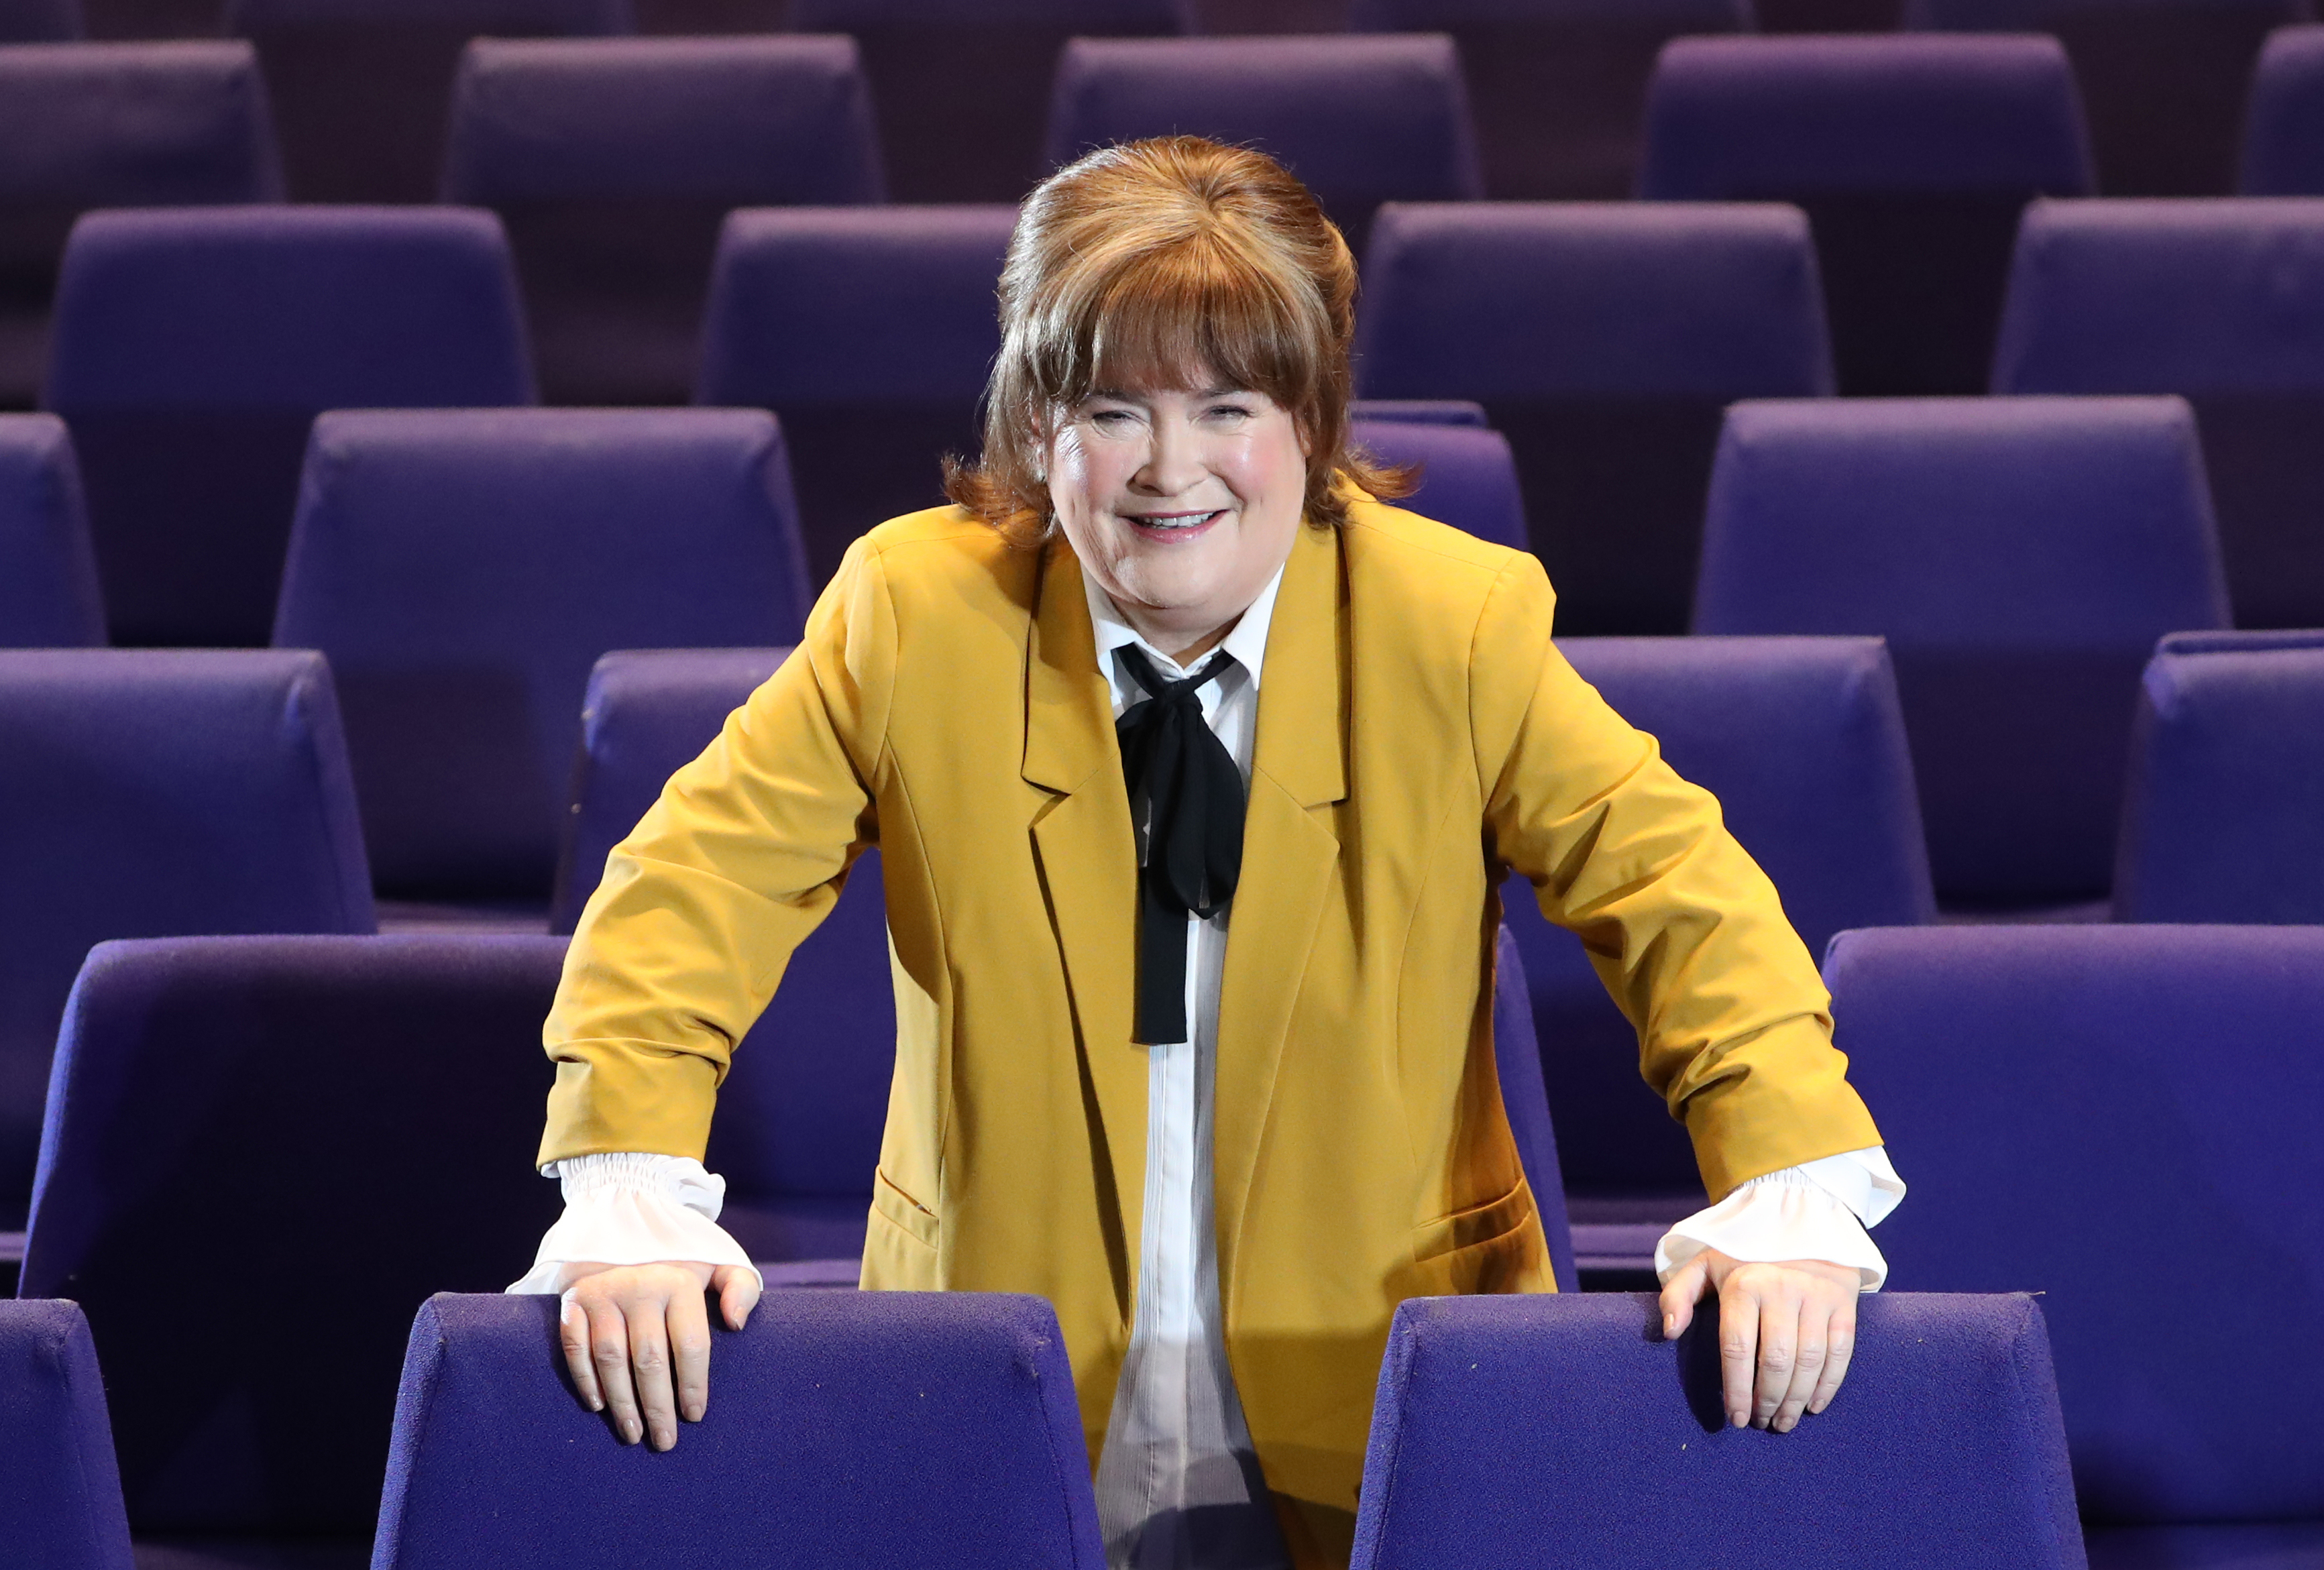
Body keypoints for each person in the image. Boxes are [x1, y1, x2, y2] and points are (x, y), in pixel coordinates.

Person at [508, 135, 1904, 1570]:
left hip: (1382, 1396)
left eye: (1224, 404)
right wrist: (628, 1192)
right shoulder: (911, 610)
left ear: (1308, 423)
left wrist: (1785, 1192)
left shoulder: (1454, 621)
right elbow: (693, 886)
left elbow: (1678, 893)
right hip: (999, 1382)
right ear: (1036, 426)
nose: (1168, 469)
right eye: (1112, 409)